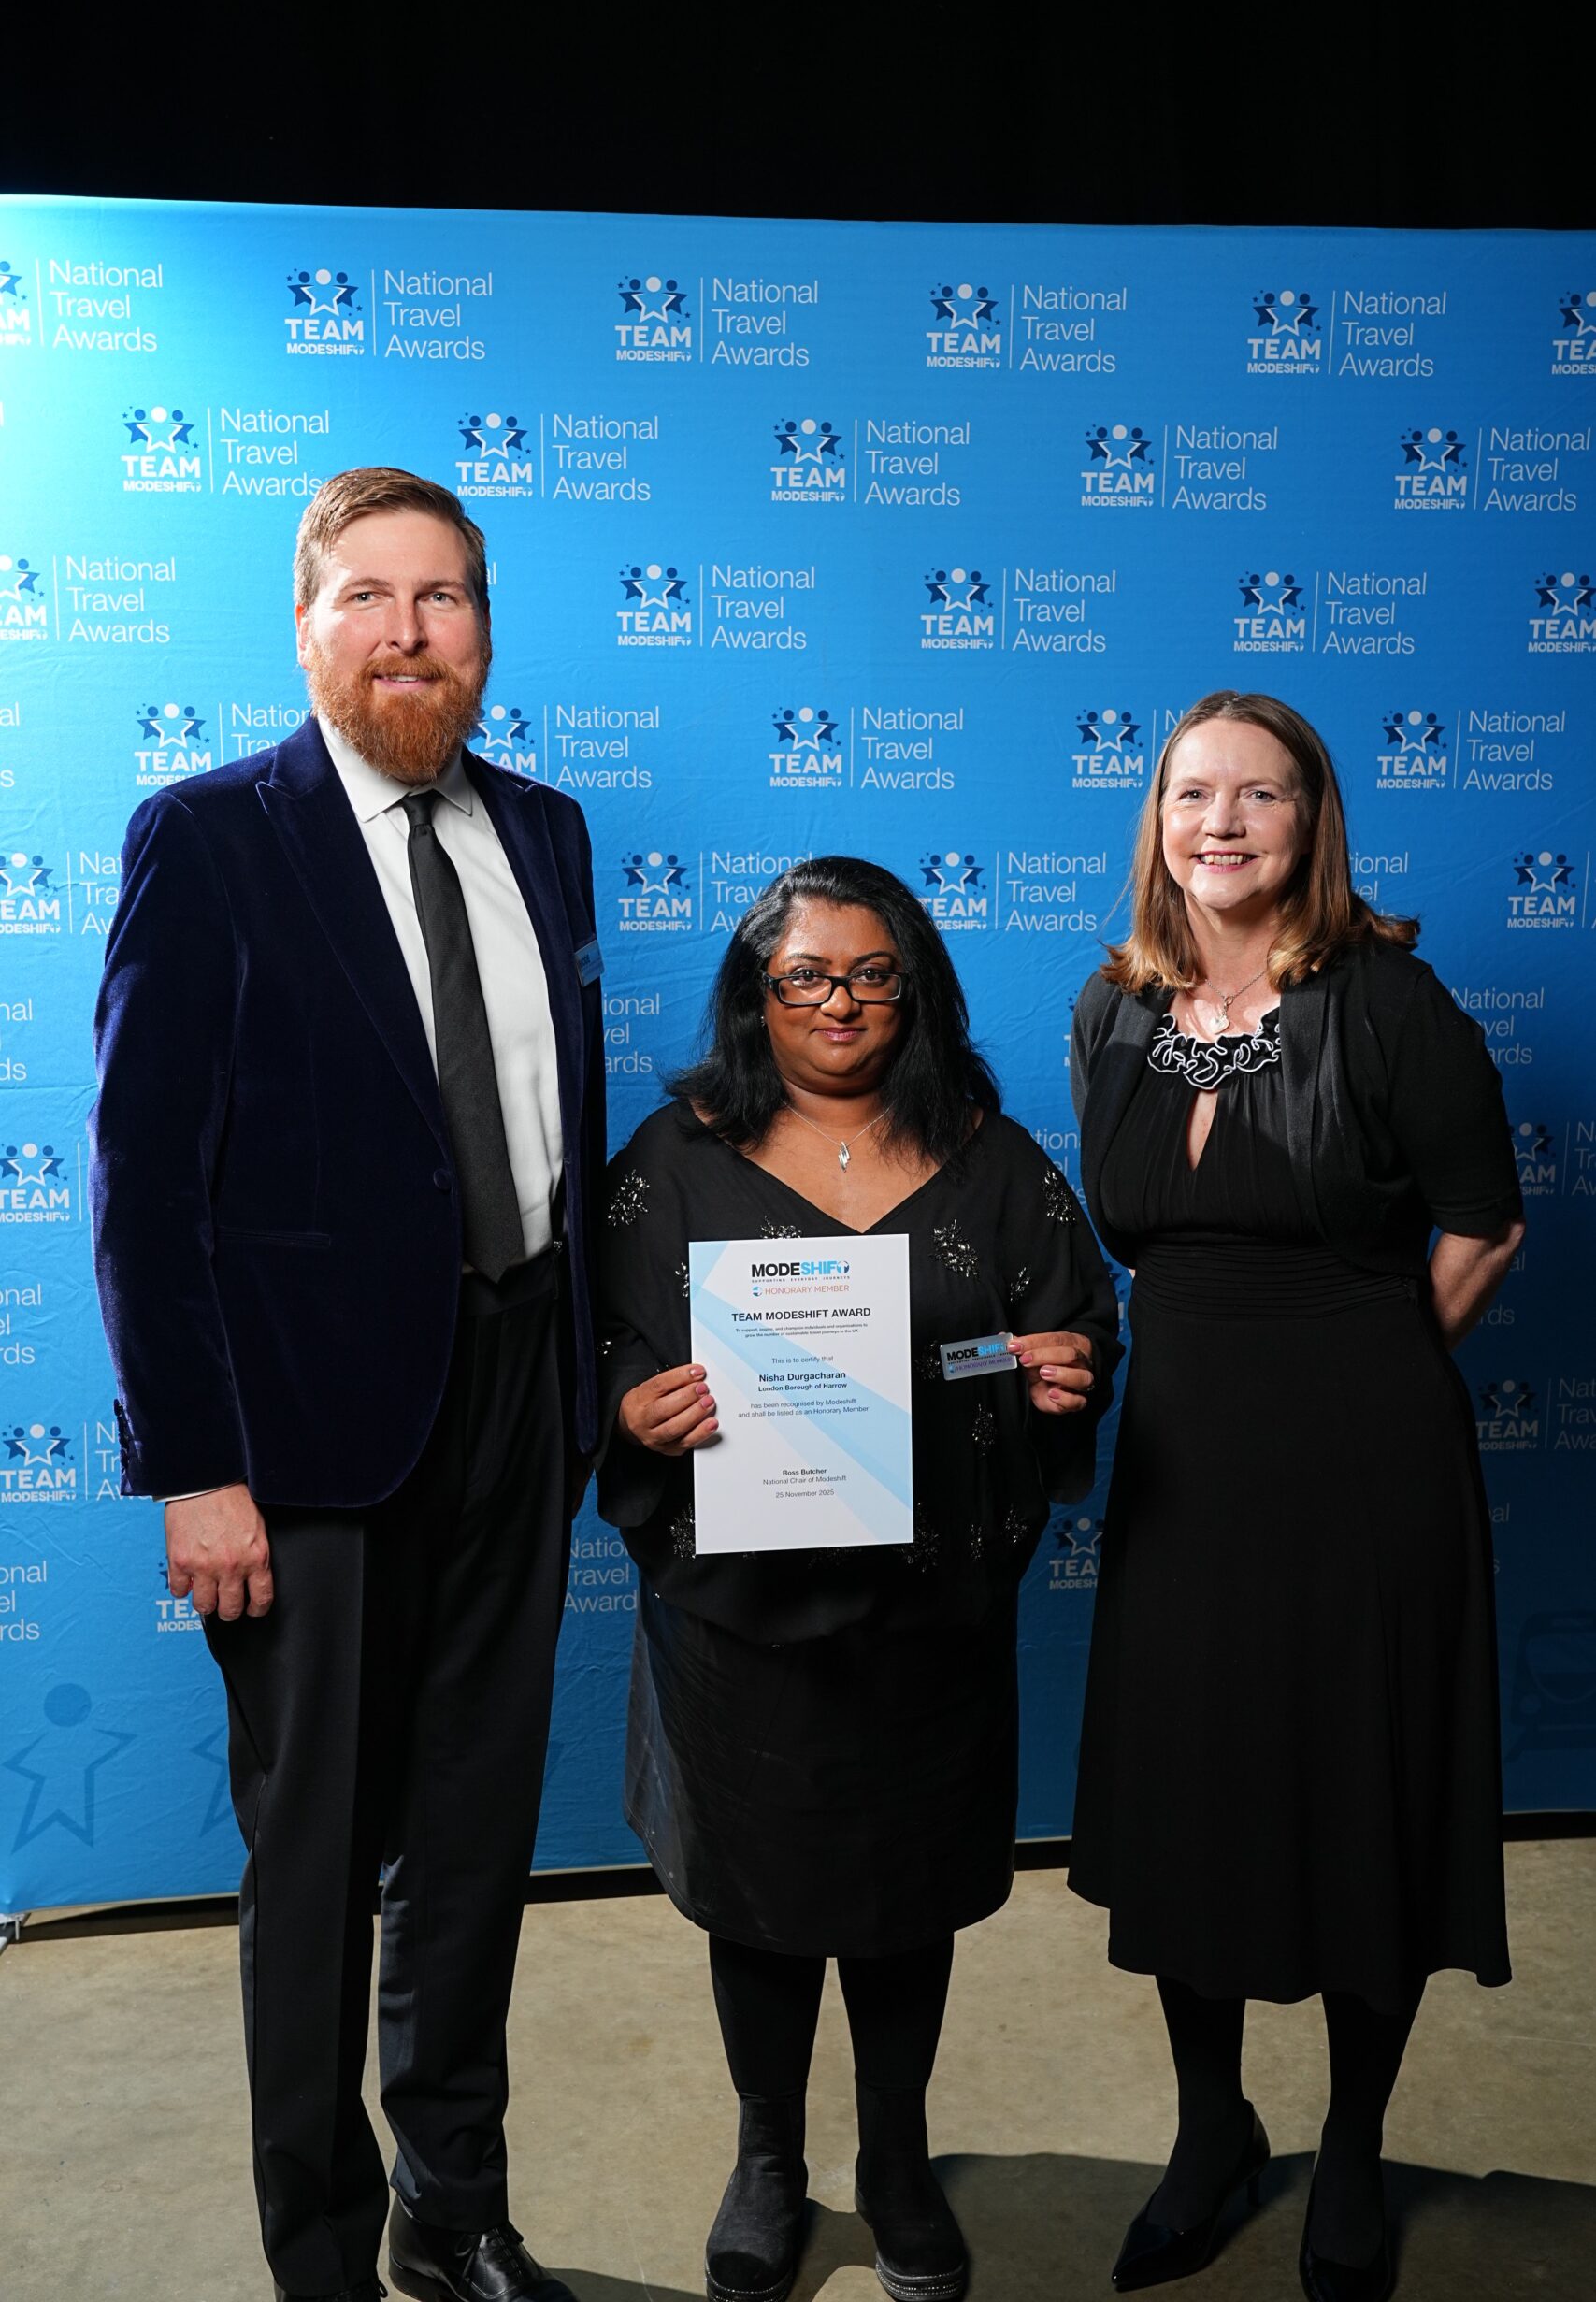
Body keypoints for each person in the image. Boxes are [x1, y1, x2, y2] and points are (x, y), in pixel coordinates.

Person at [91, 468, 605, 2302]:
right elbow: (145, 1186)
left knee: (474, 1834)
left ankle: (451, 2207)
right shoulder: (210, 838)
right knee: (314, 1853)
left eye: (444, 597)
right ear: (303, 624)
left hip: (519, 1385)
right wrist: (194, 1465)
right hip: (302, 1436)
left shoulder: (544, 832)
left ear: (484, 628)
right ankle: (315, 2243)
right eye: (369, 596)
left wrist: (595, 1385)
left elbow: (559, 1132)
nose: (408, 631)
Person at [597, 856, 1121, 2302]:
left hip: (929, 1614)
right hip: (738, 1625)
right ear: (756, 996)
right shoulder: (671, 1157)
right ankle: (770, 2158)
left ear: (920, 987)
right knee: (755, 1900)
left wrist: (1061, 1371)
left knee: (908, 1899)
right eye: (806, 976)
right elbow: (604, 1344)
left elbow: (1032, 1334)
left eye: (875, 973)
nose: (842, 1003)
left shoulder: (991, 1155)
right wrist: (635, 1408)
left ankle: (896, 2159)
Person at [1067, 691, 1523, 2302]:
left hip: (1365, 1474)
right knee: (1193, 1801)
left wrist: (1371, 1366)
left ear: (1313, 821)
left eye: (1262, 795)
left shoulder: (1392, 1004)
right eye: (1195, 793)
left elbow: (1483, 1221)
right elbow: (1136, 1241)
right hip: (1184, 1472)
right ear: (1159, 818)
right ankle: (1211, 2135)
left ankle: (1347, 2156)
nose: (1224, 824)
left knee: (1359, 1802)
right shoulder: (1110, 1012)